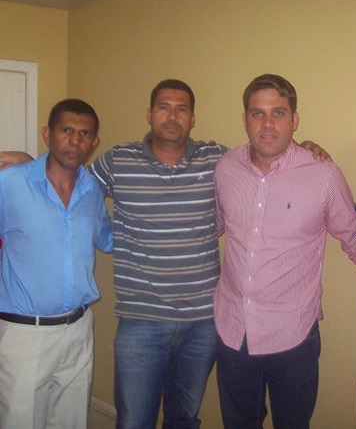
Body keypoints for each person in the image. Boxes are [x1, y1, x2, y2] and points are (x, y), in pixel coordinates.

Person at [0, 79, 329, 429]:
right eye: (163, 107)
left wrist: (303, 149)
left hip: (202, 323)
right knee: (133, 421)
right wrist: (29, 164)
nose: (172, 116)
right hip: (140, 321)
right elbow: (67, 175)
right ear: (149, 114)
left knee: (184, 419)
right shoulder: (117, 161)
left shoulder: (218, 160)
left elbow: (265, 153)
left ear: (192, 119)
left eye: (181, 109)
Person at [213, 74, 356, 428]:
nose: (267, 124)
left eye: (278, 113)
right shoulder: (225, 168)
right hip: (233, 330)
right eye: (257, 113)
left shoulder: (324, 175)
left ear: (294, 120)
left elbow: (355, 239)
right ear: (245, 119)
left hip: (293, 334)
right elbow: (214, 226)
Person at [0, 99, 113, 429]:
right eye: (66, 130)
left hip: (78, 329)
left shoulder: (92, 191)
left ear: (94, 142)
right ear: (47, 134)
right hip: (25, 334)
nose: (75, 140)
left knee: (71, 421)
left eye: (85, 133)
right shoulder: (11, 183)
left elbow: (109, 239)